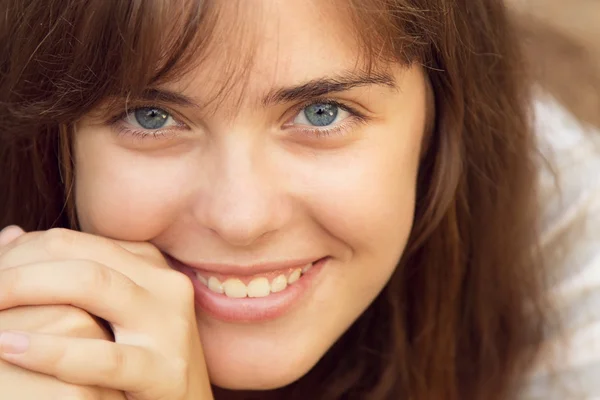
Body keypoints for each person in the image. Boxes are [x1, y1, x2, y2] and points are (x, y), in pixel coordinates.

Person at [0, 0, 585, 398]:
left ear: (439, 119)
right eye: (152, 117)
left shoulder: (555, 214)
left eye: (321, 112)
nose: (240, 219)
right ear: (55, 134)